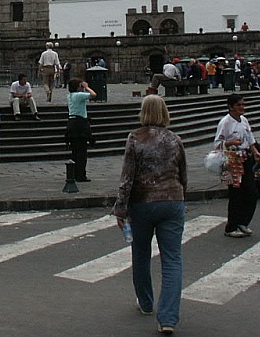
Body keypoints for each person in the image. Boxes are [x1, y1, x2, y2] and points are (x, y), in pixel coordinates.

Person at [113, 95, 187, 335]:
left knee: (141, 253)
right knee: (172, 259)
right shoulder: (175, 139)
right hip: (172, 200)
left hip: (143, 202)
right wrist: (180, 195)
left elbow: (127, 178)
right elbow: (183, 174)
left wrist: (121, 208)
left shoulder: (135, 138)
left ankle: (146, 302)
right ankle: (168, 318)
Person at [214, 93, 260, 238]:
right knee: (236, 194)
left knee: (251, 192)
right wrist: (230, 143)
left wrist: (255, 151)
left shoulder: (244, 120)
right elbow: (217, 143)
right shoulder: (225, 123)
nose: (242, 108)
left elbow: (250, 138)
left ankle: (243, 221)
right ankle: (231, 226)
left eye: (243, 105)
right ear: (231, 107)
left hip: (245, 158)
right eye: (238, 105)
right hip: (232, 160)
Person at [65, 78, 97, 182]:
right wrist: (86, 87)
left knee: (75, 151)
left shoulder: (69, 96)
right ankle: (80, 175)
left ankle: (74, 173)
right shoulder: (78, 95)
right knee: (82, 152)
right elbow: (94, 95)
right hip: (80, 124)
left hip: (72, 123)